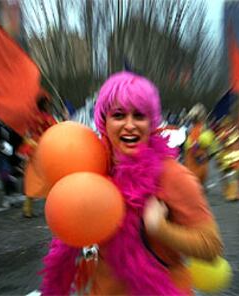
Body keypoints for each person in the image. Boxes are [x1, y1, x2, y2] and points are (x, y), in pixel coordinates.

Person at [40, 71, 223, 295]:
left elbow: (211, 245)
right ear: (104, 121)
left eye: (139, 116)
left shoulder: (172, 175)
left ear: (151, 122)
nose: (130, 125)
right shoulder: (93, 169)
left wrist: (160, 228)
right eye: (119, 115)